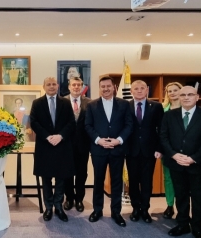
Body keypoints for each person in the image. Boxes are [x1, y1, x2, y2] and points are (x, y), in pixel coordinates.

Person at [160, 86, 201, 238]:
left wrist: (193, 158)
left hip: (197, 164)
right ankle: (182, 224)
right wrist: (174, 155)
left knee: (198, 198)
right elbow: (163, 137)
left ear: (197, 97)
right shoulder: (169, 115)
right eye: (183, 94)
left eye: (190, 94)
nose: (186, 97)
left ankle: (197, 228)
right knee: (181, 195)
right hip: (176, 163)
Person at [84, 76, 133, 226]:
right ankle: (97, 210)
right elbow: (88, 126)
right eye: (102, 86)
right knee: (98, 180)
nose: (105, 89)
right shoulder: (91, 105)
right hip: (99, 149)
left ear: (114, 87)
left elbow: (129, 124)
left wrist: (119, 140)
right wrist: (99, 140)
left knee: (117, 181)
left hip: (117, 149)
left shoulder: (124, 104)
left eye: (108, 86)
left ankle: (116, 212)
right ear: (99, 88)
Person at [29, 77, 76, 222]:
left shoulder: (66, 102)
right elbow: (34, 122)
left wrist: (60, 136)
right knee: (46, 179)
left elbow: (71, 123)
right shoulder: (37, 103)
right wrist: (48, 137)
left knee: (61, 179)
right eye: (48, 84)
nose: (51, 86)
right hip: (45, 146)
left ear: (57, 86)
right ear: (44, 86)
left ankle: (59, 206)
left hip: (62, 145)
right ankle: (48, 208)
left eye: (54, 84)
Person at [126, 80, 164, 223]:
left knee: (147, 181)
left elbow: (161, 129)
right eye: (136, 88)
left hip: (150, 151)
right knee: (133, 181)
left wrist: (159, 148)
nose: (139, 91)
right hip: (131, 151)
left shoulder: (156, 106)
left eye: (142, 88)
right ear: (131, 91)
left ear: (147, 90)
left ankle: (145, 209)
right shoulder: (126, 106)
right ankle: (135, 209)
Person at [62, 77, 91, 213]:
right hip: (65, 145)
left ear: (82, 87)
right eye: (73, 85)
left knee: (81, 174)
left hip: (83, 145)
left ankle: (79, 199)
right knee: (67, 172)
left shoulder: (89, 103)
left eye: (79, 85)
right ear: (69, 87)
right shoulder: (62, 102)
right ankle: (69, 198)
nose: (76, 87)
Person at [160, 82, 183, 219]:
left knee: (183, 181)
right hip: (168, 150)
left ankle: (182, 208)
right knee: (168, 179)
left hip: (185, 151)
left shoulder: (188, 108)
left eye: (175, 90)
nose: (173, 93)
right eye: (170, 91)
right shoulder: (163, 109)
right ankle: (170, 205)